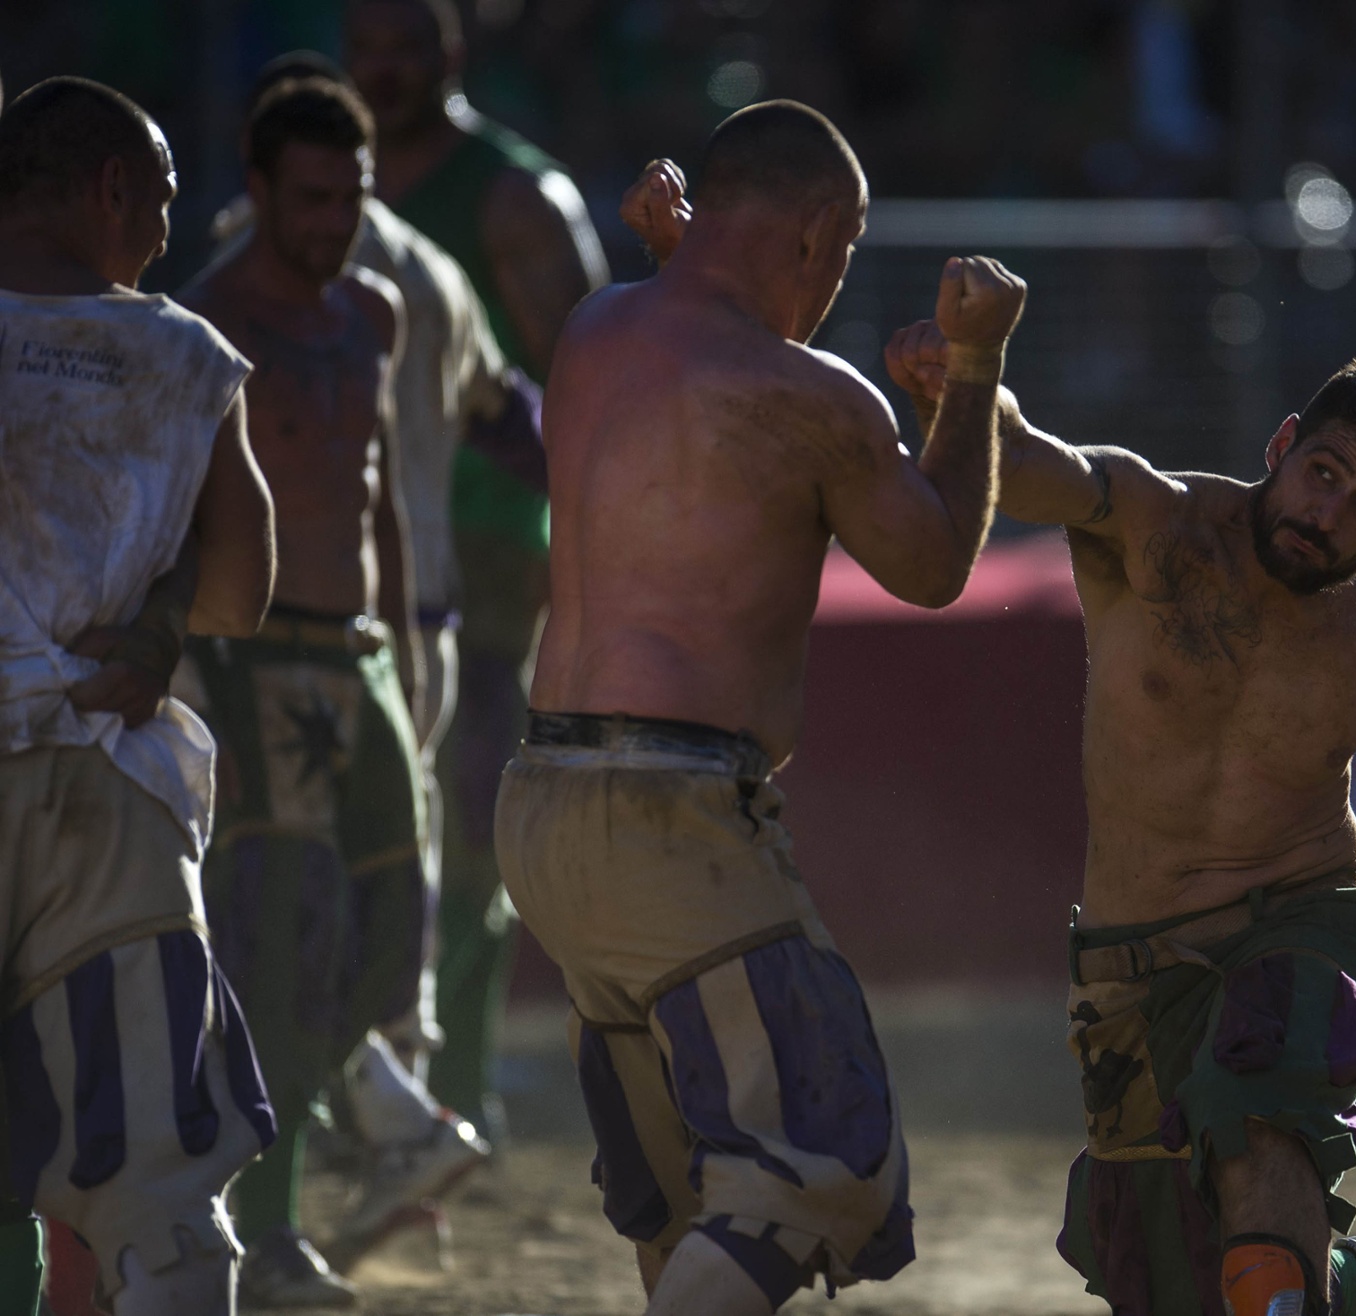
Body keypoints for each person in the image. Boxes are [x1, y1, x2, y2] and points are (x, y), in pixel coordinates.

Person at [872, 329, 1356, 1316]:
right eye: (1322, 472)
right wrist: (969, 379)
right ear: (1280, 445)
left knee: (1262, 1160)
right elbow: (1029, 467)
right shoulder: (1156, 521)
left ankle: (1296, 1271)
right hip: (1129, 962)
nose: (1328, 512)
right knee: (1170, 1274)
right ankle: (1341, 1282)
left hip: (1298, 927)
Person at [496, 101, 1023, 1314]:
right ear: (821, 232)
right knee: (818, 1163)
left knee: (686, 1185)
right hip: (670, 823)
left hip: (543, 809)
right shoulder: (816, 396)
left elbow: (676, 373)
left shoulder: (593, 330)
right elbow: (935, 563)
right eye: (843, 251)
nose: (837, 281)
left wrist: (674, 259)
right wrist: (977, 370)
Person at [207, 48, 543, 1269]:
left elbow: (405, 491)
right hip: (269, 654)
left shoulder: (382, 300)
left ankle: (365, 1122)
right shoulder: (224, 310)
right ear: (265, 182)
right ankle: (297, 1190)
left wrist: (401, 644)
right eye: (311, 198)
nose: (332, 221)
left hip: (373, 648)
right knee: (288, 932)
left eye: (346, 196)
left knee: (392, 918)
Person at [0, 76, 278, 1314]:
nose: (167, 230)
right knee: (164, 1213)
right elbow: (243, 585)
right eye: (160, 197)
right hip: (106, 788)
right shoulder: (182, 356)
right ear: (110, 187)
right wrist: (160, 626)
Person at [345, 0, 609, 1143]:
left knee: (464, 807)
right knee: (346, 819)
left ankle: (457, 1082)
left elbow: (600, 381)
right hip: (343, 550)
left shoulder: (512, 197)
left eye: (408, 44)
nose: (384, 66)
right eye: (367, 45)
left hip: (487, 553)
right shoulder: (323, 191)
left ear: (451, 56)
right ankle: (364, 1079)